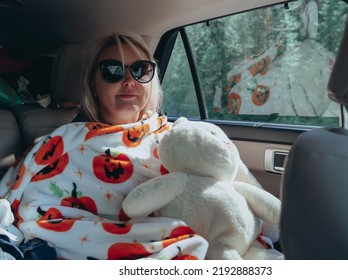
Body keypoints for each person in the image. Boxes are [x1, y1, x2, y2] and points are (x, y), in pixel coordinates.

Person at [0, 31, 209, 260]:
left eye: (141, 70)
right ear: (93, 84)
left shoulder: (179, 140)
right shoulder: (62, 141)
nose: (129, 81)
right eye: (113, 71)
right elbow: (10, 195)